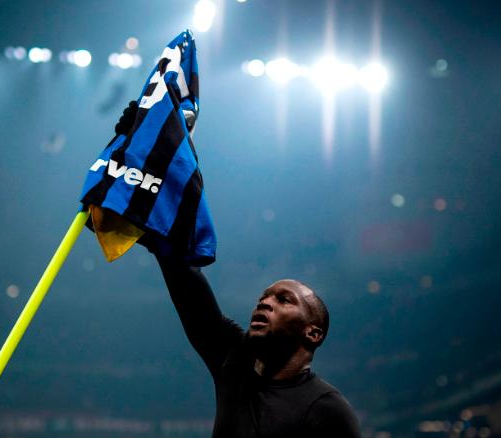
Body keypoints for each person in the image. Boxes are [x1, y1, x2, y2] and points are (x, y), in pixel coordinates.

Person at [115, 102, 361, 437]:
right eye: (265, 297)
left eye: (284, 300)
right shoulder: (236, 361)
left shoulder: (328, 410)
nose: (265, 303)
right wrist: (143, 145)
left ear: (313, 333)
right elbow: (182, 273)